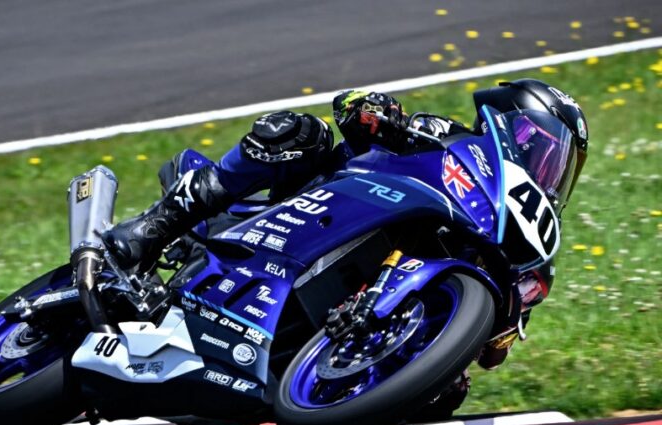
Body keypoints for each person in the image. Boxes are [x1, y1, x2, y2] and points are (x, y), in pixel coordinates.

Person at [103, 79, 588, 281]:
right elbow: (349, 106)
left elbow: (495, 349)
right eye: (548, 151)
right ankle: (156, 225)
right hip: (318, 201)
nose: (551, 170)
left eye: (563, 165)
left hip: (362, 289)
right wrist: (376, 113)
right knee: (298, 133)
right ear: (513, 128)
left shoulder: (517, 238)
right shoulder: (447, 135)